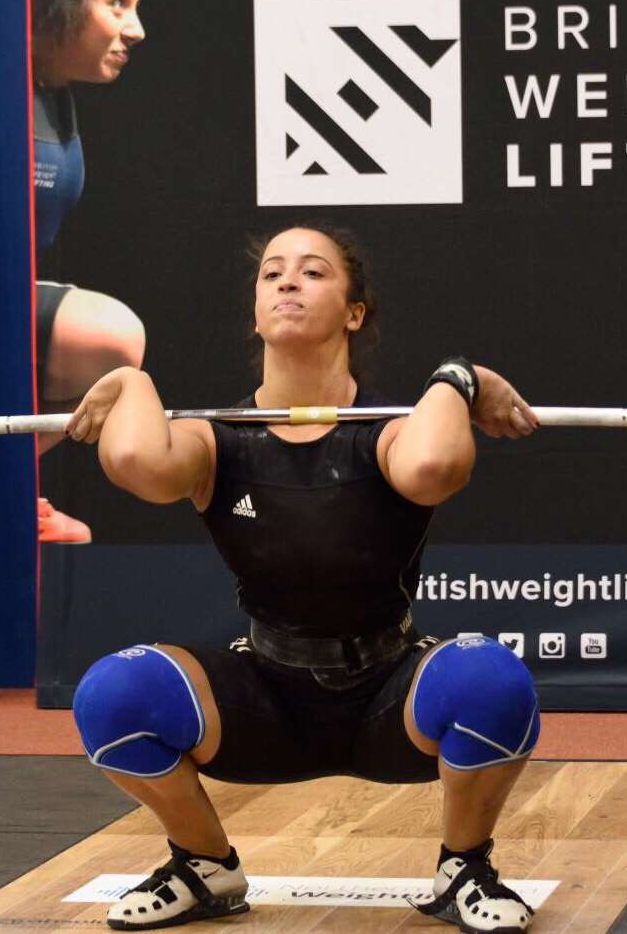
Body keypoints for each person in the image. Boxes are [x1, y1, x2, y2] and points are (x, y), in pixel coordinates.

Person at [66, 225, 544, 932]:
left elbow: (436, 467)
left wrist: (456, 378)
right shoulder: (213, 441)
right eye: (272, 274)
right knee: (114, 692)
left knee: (492, 680)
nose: (287, 282)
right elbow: (136, 460)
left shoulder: (386, 432)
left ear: (355, 312)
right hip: (266, 701)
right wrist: (132, 383)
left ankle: (464, 867)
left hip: (390, 699)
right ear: (256, 310)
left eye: (313, 272)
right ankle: (205, 867)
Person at [31, 0, 149, 543]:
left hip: (0, 305)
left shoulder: (54, 80)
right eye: (118, 6)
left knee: (114, 350)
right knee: (113, 337)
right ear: (59, 0)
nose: (136, 28)